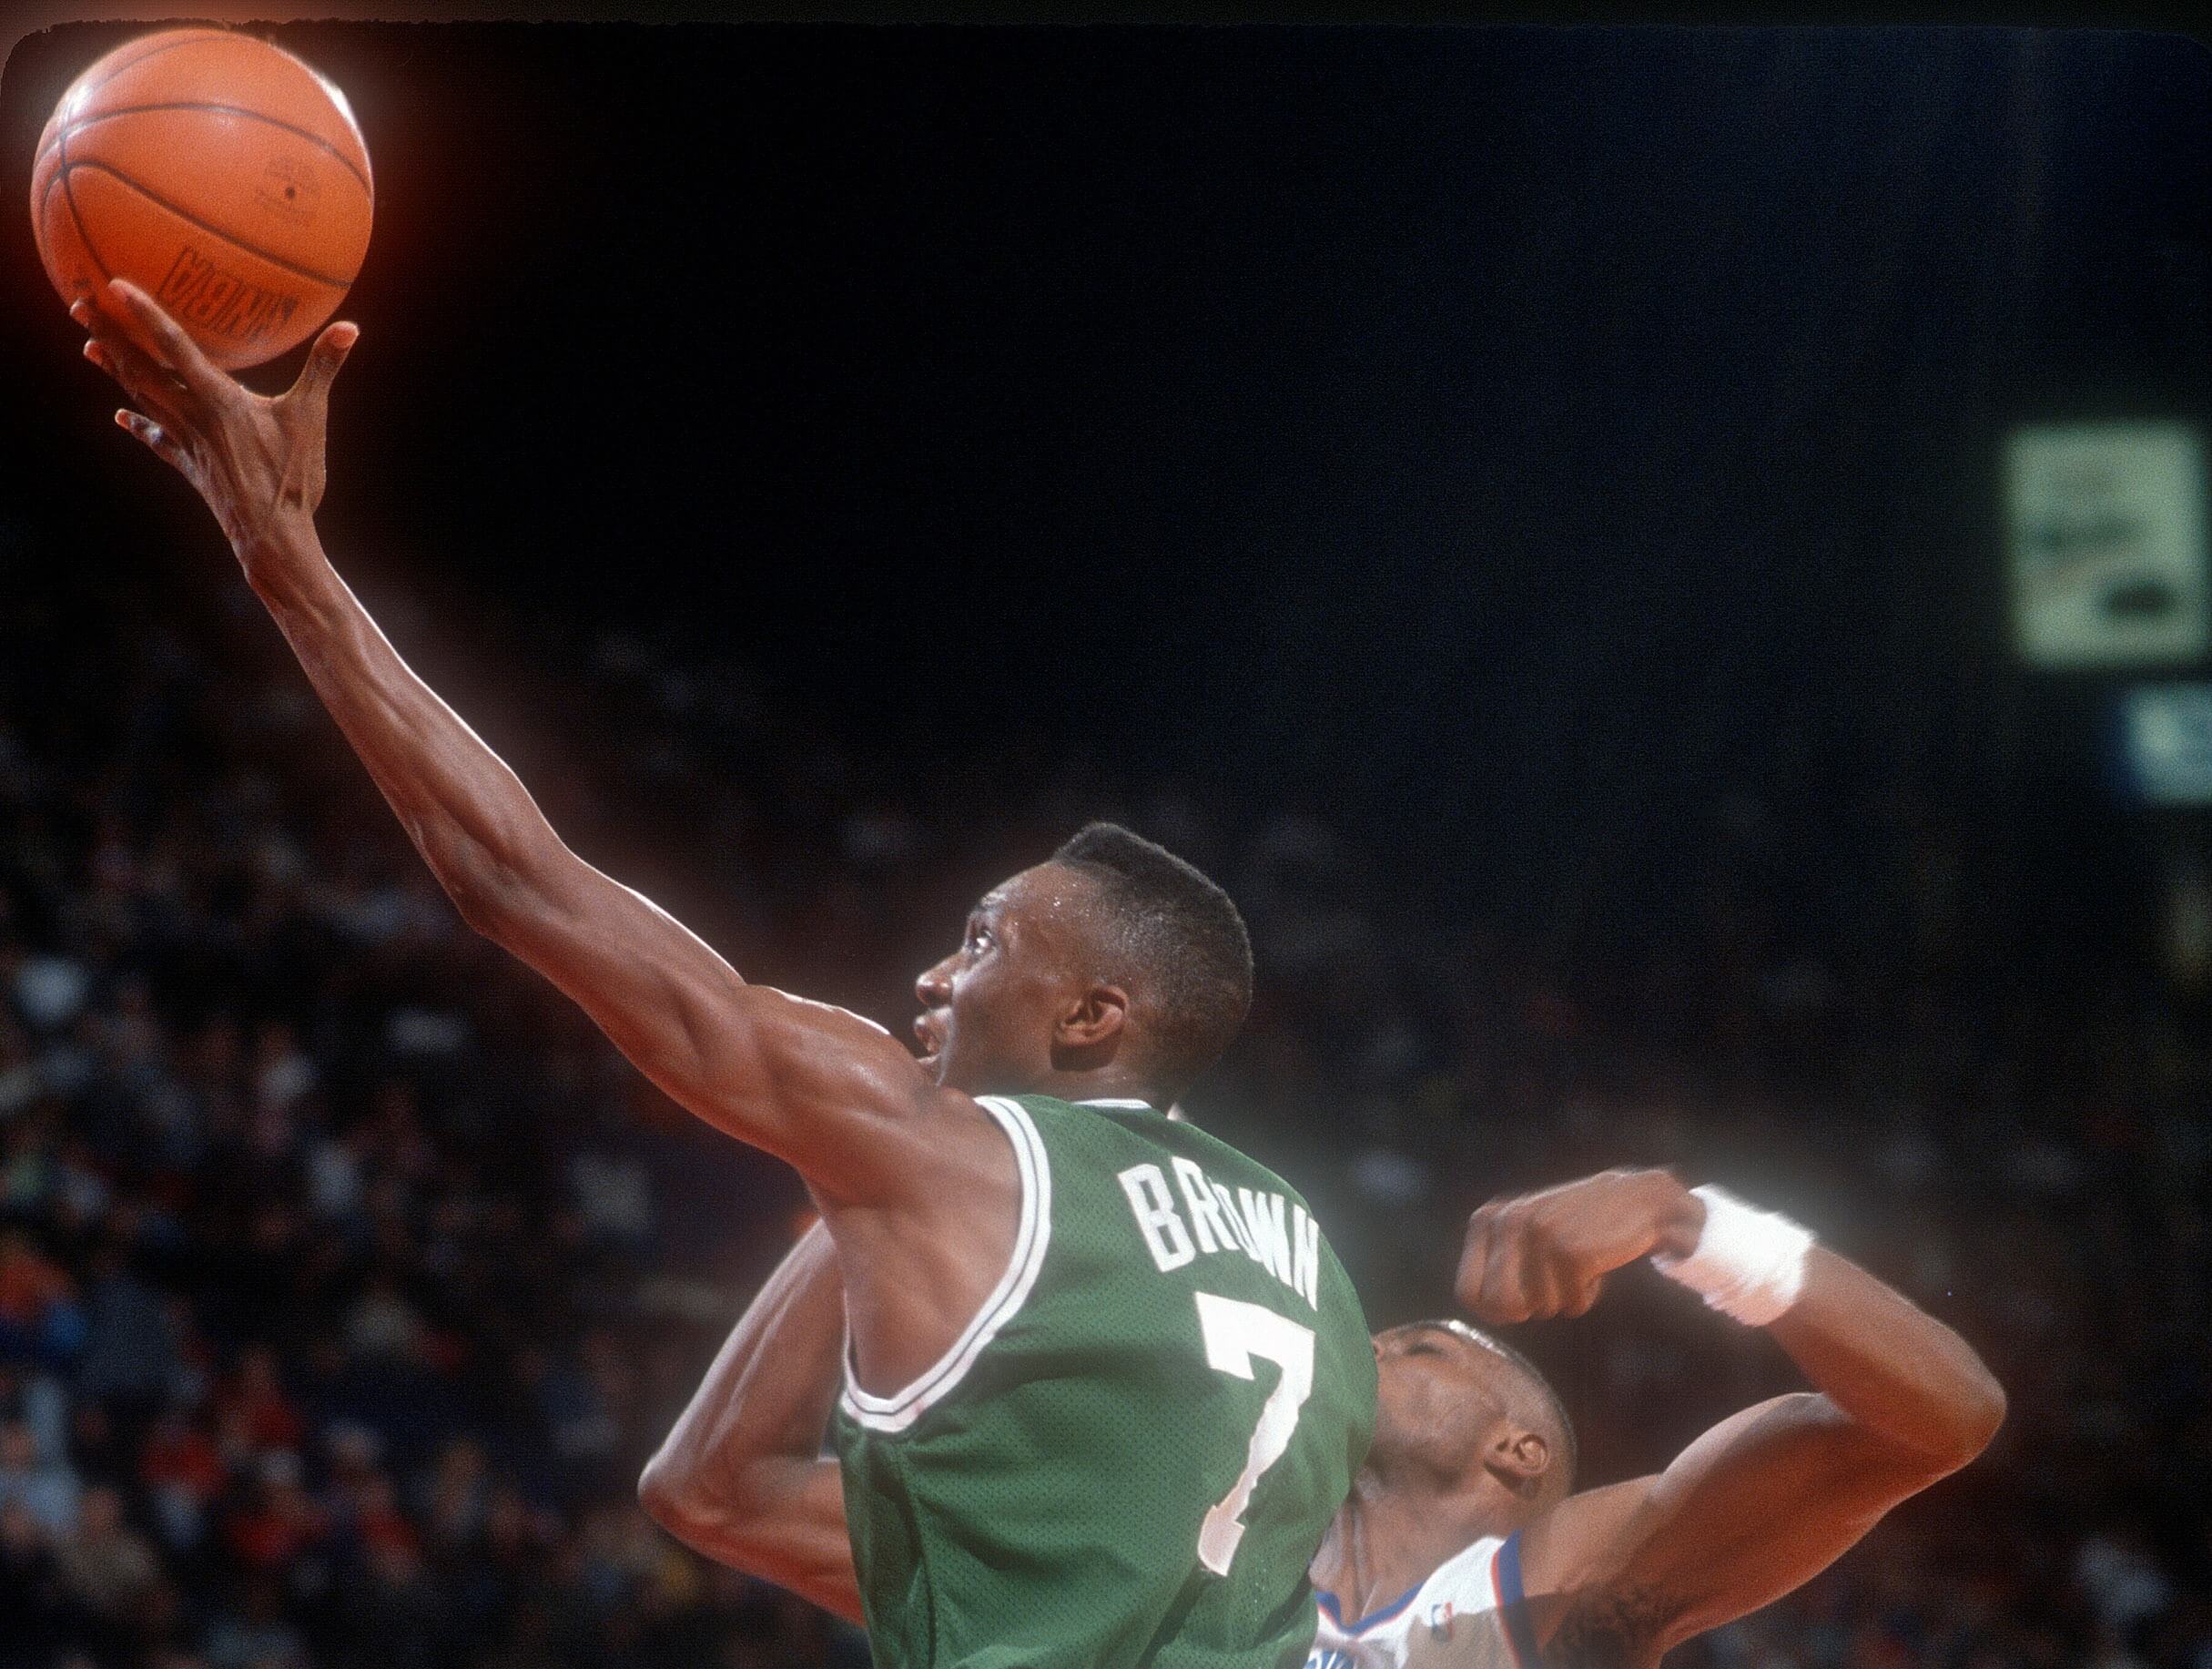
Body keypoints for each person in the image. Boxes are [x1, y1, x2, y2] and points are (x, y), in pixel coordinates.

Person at [73, 280, 1376, 1668]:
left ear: (1092, 1016)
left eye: (985, 939)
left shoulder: (945, 1154)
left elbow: (512, 878)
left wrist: (285, 559)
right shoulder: (1315, 1259)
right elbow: (717, 1496)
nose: (937, 975)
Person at [641, 1167, 2004, 1668]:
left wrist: (1688, 1221)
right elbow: (716, 1492)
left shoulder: (1571, 1589)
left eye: (1406, 1344)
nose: (1346, 1350)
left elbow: (1936, 1416)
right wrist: (867, 1187)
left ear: (1515, 1450)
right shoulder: (1151, 1561)